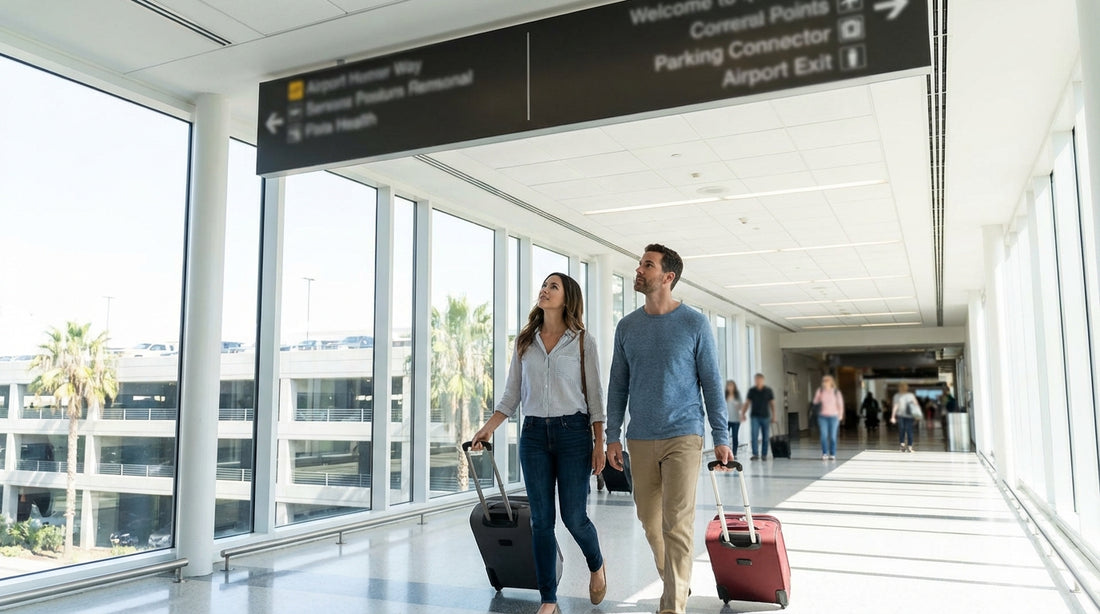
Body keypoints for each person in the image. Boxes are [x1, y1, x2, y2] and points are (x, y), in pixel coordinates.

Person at [606, 244, 731, 614]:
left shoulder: (694, 323)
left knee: (677, 522)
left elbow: (711, 381)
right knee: (649, 520)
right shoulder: (627, 326)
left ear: (668, 277)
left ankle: (672, 605)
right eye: (640, 263)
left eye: (648, 264)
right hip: (641, 436)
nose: (639, 269)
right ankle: (676, 581)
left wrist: (721, 435)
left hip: (684, 434)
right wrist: (613, 434)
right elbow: (617, 384)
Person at [472, 272, 607, 614]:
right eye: (544, 286)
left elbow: (595, 397)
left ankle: (597, 564)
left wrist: (599, 443)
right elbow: (511, 395)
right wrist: (488, 428)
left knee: (574, 517)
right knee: (540, 522)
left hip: (574, 434)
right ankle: (549, 599)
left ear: (567, 297)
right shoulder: (525, 341)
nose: (544, 291)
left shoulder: (582, 341)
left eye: (553, 286)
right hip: (532, 435)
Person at [743, 373, 776, 461]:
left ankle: (764, 454)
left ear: (762, 380)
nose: (758, 381)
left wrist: (774, 415)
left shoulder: (768, 391)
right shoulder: (752, 391)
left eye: (759, 380)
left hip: (765, 417)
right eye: (756, 380)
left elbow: (772, 404)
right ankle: (755, 454)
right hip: (755, 417)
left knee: (765, 436)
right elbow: (747, 402)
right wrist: (743, 413)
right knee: (754, 436)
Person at [812, 375, 844, 460]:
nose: (824, 382)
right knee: (824, 435)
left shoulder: (836, 392)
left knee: (833, 436)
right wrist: (818, 396)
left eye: (826, 381)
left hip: (834, 417)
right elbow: (815, 402)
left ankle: (832, 453)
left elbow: (840, 405)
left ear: (831, 382)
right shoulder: (820, 391)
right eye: (823, 381)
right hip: (822, 417)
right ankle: (825, 453)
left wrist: (840, 415)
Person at [890, 382, 920, 453]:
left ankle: (908, 447)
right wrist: (893, 416)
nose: (902, 388)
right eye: (901, 387)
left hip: (909, 416)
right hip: (901, 415)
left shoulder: (910, 395)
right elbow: (895, 406)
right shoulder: (897, 395)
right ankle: (904, 446)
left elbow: (915, 404)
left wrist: (917, 415)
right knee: (902, 430)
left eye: (903, 387)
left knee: (908, 430)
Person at [725, 380, 742, 458]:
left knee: (735, 437)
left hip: (736, 420)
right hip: (726, 420)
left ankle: (734, 454)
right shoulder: (725, 396)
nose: (730, 387)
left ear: (734, 387)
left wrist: (735, 403)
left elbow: (741, 407)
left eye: (732, 386)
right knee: (725, 437)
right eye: (729, 386)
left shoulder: (737, 396)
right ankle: (726, 453)